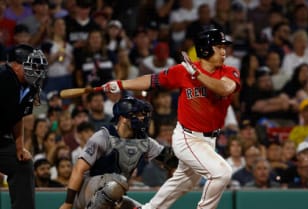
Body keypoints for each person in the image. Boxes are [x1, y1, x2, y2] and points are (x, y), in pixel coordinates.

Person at [102, 28, 240, 209]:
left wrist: (197, 75)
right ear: (206, 49)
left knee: (183, 183)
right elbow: (152, 81)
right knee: (222, 173)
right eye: (219, 47)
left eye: (224, 47)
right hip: (188, 137)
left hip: (209, 140)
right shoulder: (183, 71)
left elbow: (224, 89)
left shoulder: (229, 71)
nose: (224, 51)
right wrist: (120, 84)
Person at [59, 96, 178, 209]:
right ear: (123, 118)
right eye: (137, 115)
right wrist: (68, 203)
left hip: (115, 195)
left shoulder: (144, 141)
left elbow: (170, 159)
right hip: (86, 192)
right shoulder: (103, 136)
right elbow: (78, 169)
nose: (142, 118)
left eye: (143, 115)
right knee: (116, 182)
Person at [0, 44, 48, 209]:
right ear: (15, 65)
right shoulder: (3, 78)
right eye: (33, 66)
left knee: (22, 165)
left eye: (39, 67)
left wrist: (20, 147)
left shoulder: (28, 86)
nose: (37, 71)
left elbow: (17, 116)